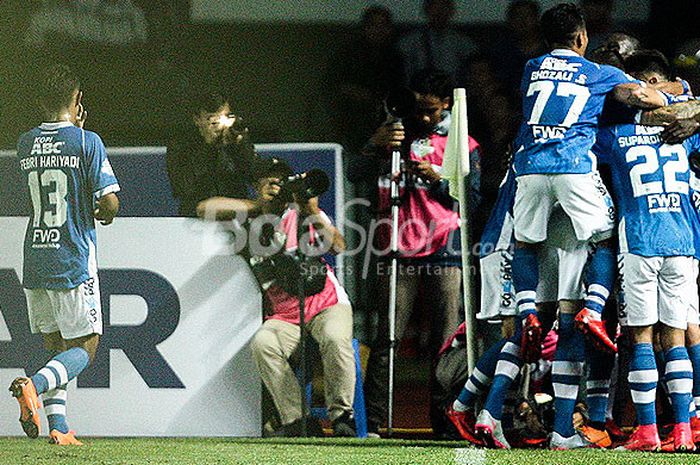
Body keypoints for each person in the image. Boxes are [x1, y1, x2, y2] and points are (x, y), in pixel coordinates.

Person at [492, 3, 667, 450]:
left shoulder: (532, 66)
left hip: (529, 168)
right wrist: (666, 92)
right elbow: (644, 98)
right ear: (583, 38)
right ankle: (594, 305)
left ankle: (529, 309)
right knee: (607, 236)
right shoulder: (598, 73)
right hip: (572, 167)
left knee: (527, 244)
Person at [349, 68, 481, 436]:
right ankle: (377, 424)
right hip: (396, 248)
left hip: (446, 248)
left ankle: (444, 422)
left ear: (445, 108)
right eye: (419, 110)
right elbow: (354, 172)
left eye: (433, 111)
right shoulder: (392, 138)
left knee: (446, 341)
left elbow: (472, 199)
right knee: (387, 336)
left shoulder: (462, 143)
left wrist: (440, 180)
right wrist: (374, 144)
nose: (425, 118)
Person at [197, 161, 357, 437]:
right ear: (256, 186)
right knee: (264, 343)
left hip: (326, 303)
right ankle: (298, 420)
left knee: (334, 337)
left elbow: (339, 246)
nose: (273, 184)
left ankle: (342, 415)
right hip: (285, 316)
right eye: (266, 180)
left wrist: (312, 209)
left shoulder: (300, 215)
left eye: (279, 181)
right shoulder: (248, 223)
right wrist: (258, 205)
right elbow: (204, 208)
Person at [593, 49, 700, 452]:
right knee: (674, 336)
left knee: (640, 336)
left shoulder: (612, 136)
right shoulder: (685, 134)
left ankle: (648, 431)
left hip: (639, 239)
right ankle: (685, 430)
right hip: (682, 240)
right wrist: (686, 110)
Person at [10, 63, 120, 446]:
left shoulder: (24, 143)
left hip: (35, 256)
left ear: (41, 103)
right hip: (72, 256)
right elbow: (109, 203)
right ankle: (33, 386)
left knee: (55, 345)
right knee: (85, 347)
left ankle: (58, 427)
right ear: (77, 99)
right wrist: (102, 211)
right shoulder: (88, 142)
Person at [166, 91, 258, 216]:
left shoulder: (237, 140)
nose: (219, 125)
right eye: (212, 119)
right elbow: (183, 189)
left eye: (226, 116)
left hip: (235, 217)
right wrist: (209, 147)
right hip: (196, 219)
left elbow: (254, 178)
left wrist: (236, 148)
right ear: (197, 120)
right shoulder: (180, 146)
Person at [397, 0, 477, 87]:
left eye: (443, 8)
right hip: (420, 93)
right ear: (426, 11)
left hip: (453, 92)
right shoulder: (410, 42)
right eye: (435, 8)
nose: (439, 12)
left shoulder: (463, 43)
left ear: (451, 11)